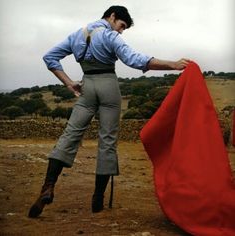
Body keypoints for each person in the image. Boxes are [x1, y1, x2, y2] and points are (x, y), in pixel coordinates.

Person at [28, 5, 190, 218]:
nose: (120, 31)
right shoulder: (109, 36)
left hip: (86, 86)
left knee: (70, 135)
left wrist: (69, 83)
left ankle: (47, 187)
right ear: (112, 16)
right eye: (121, 26)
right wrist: (173, 64)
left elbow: (50, 58)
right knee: (108, 140)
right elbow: (136, 60)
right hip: (108, 86)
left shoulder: (77, 34)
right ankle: (97, 199)